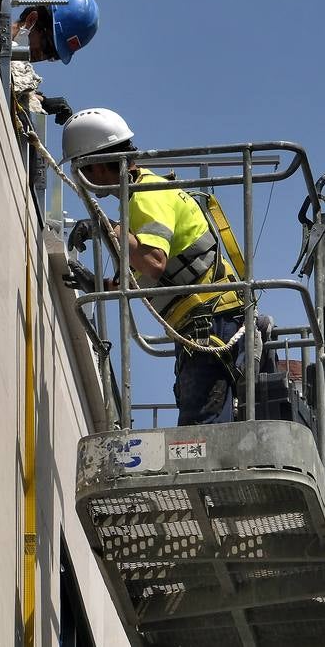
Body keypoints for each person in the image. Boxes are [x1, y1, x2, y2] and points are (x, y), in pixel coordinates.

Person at [61, 108, 249, 425]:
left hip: (210, 324)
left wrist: (105, 227)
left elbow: (153, 263)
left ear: (94, 164)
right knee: (201, 426)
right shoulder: (140, 199)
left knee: (201, 434)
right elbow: (143, 280)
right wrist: (99, 284)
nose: (84, 181)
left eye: (82, 170)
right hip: (206, 323)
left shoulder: (146, 194)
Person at [9, 0, 98, 125]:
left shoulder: (17, 77)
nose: (42, 55)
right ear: (32, 20)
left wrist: (42, 102)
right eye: (47, 45)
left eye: (52, 55)